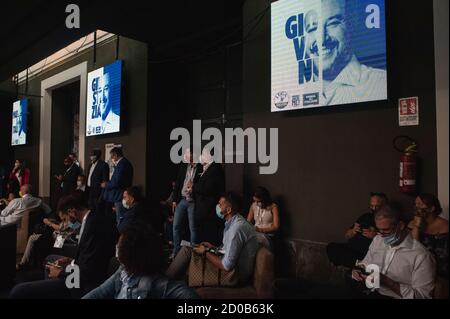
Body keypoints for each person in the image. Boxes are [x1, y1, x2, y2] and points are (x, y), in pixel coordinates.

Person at [9, 193, 117, 299]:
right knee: (50, 259)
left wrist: (61, 273)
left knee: (18, 291)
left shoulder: (93, 226)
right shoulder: (90, 219)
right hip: (82, 272)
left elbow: (89, 271)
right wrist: (70, 260)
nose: (65, 223)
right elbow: (90, 257)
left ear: (71, 212)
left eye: (64, 219)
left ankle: (62, 290)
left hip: (83, 283)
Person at [83, 223, 198, 299]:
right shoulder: (122, 272)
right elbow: (99, 293)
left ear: (130, 252)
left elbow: (189, 296)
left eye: (120, 243)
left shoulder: (154, 282)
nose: (117, 246)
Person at [304, 0, 387, 105]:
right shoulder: (295, 90)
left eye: (333, 23)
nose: (321, 40)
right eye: (311, 28)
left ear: (351, 25)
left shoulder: (381, 85)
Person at [166, 192, 258, 286]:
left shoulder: (236, 229)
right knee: (190, 248)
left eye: (220, 204)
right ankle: (171, 281)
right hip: (233, 268)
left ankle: (165, 281)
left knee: (187, 250)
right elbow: (228, 250)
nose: (217, 206)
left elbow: (226, 266)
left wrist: (206, 252)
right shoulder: (233, 223)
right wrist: (214, 248)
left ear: (229, 210)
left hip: (235, 275)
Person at [351, 205, 436, 299]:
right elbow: (366, 263)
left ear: (400, 226)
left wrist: (388, 282)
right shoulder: (378, 239)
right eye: (379, 230)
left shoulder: (421, 256)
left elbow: (422, 296)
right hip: (371, 291)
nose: (381, 235)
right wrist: (359, 269)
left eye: (386, 230)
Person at [327, 192, 387, 268]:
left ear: (385, 206)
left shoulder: (387, 221)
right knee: (331, 247)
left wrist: (375, 236)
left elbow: (389, 244)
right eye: (371, 206)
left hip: (365, 253)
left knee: (351, 259)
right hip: (351, 248)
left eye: (377, 206)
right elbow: (346, 235)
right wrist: (352, 231)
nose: (374, 209)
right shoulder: (365, 216)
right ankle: (351, 266)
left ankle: (355, 267)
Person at [409, 194, 448, 282]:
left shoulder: (445, 226)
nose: (416, 207)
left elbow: (443, 256)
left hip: (438, 270)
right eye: (415, 204)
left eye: (420, 204)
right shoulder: (412, 224)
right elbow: (413, 248)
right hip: (417, 267)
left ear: (431, 208)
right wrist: (416, 226)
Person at [172, 148, 202, 257]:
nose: (185, 155)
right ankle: (176, 252)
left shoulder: (201, 167)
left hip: (193, 201)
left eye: (187, 153)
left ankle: (192, 255)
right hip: (182, 199)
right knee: (176, 226)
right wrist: (175, 200)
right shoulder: (184, 166)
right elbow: (179, 182)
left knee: (193, 228)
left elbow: (201, 186)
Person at [192, 148, 225, 246]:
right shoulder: (207, 168)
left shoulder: (215, 168)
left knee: (208, 240)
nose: (201, 156)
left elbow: (208, 189)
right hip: (203, 211)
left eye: (203, 154)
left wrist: (194, 186)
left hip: (208, 212)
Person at [102, 147, 133, 224]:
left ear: (115, 155)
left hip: (120, 196)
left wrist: (106, 185)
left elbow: (117, 182)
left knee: (121, 219)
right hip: (119, 195)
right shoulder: (123, 163)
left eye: (112, 156)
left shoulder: (123, 164)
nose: (111, 158)